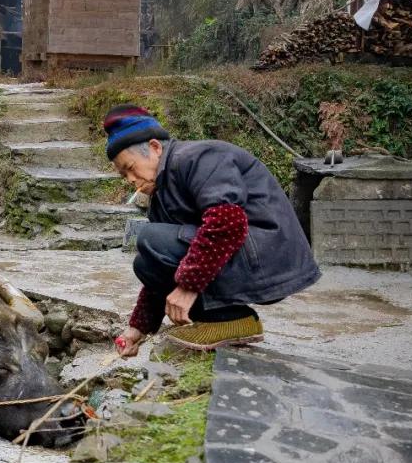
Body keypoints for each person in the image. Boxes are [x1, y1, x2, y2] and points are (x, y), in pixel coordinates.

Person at [106, 104, 321, 355]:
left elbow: (227, 221)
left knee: (150, 238)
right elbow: (161, 261)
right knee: (145, 263)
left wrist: (188, 288)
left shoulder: (197, 157)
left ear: (154, 148)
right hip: (244, 256)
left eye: (130, 168)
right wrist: (138, 328)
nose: (131, 180)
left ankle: (228, 320)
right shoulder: (161, 194)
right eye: (124, 176)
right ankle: (228, 320)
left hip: (270, 255)